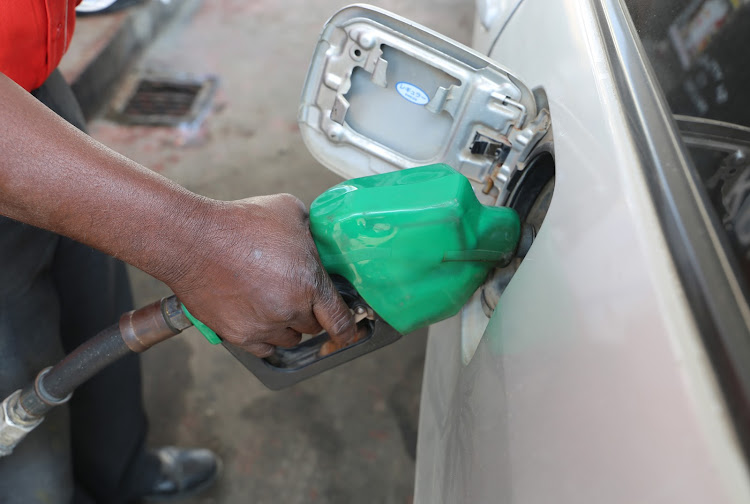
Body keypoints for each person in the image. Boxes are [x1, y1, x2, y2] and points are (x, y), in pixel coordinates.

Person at [0, 2, 356, 503]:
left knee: (94, 313)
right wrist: (200, 244)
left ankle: (122, 477)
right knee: (21, 441)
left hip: (33, 84)